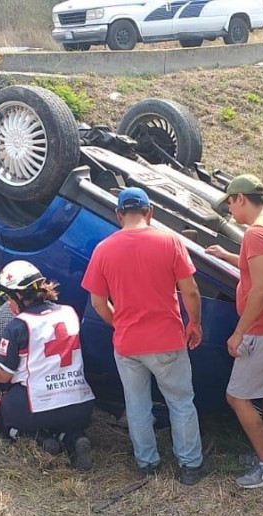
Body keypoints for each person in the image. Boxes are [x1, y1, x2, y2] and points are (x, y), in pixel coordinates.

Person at [80, 187, 207, 485]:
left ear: (119, 214)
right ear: (150, 212)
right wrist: (195, 323)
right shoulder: (169, 241)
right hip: (167, 340)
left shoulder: (103, 249)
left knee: (136, 405)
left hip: (127, 344)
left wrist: (120, 323)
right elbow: (190, 289)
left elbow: (98, 303)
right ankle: (190, 466)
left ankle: (147, 463)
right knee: (180, 402)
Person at [0, 260, 96, 470]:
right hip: (80, 406)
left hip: (34, 407)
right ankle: (73, 437)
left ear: (19, 296)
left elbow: (3, 375)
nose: (8, 304)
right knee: (64, 422)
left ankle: (39, 439)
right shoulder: (69, 312)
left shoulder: (19, 325)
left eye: (8, 298)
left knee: (5, 421)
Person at [205, 175, 263, 489]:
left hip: (261, 327)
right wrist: (229, 256)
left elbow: (259, 290)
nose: (230, 209)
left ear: (240, 198)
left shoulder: (256, 233)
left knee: (237, 397)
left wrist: (239, 332)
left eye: (230, 202)